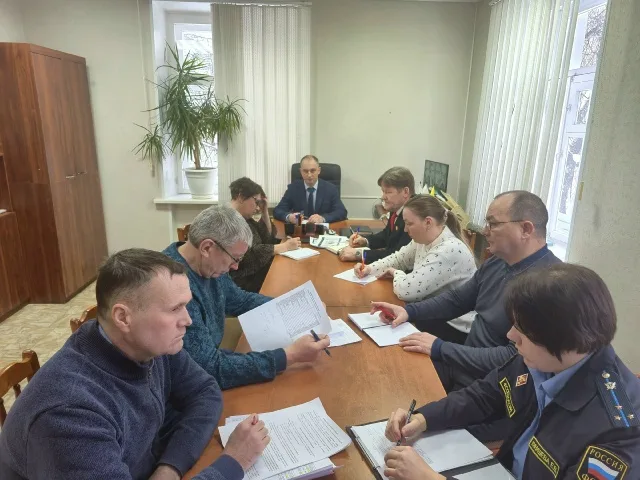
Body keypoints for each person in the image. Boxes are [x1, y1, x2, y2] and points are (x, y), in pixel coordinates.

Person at [0, 248, 270, 480]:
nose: (188, 320)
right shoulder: (68, 414)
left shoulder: (149, 344)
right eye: (175, 309)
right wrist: (234, 461)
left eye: (186, 306)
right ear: (123, 318)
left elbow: (205, 392)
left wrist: (169, 468)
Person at [383, 264, 640, 480]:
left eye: (523, 330)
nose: (510, 335)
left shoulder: (619, 431)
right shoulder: (542, 361)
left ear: (564, 339)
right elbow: (483, 395)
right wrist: (423, 418)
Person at [371, 191, 561, 392]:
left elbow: (514, 357)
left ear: (526, 229)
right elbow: (457, 300)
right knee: (386, 371)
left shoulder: (549, 285)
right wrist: (409, 312)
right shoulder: (498, 262)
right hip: (463, 363)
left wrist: (441, 348)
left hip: (490, 385)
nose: (485, 231)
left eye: (493, 224)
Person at [163, 205, 330, 390]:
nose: (235, 267)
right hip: (186, 387)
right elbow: (210, 368)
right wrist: (289, 356)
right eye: (235, 258)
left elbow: (240, 300)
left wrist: (294, 306)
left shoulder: (208, 265)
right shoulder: (175, 287)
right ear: (207, 247)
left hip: (214, 356)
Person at [356, 195, 476, 344]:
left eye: (409, 223)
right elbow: (399, 259)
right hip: (433, 312)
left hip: (454, 326)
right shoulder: (423, 240)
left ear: (428, 222)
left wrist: (396, 272)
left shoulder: (448, 250)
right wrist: (369, 268)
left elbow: (406, 290)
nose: (405, 229)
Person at [228, 177, 300, 292]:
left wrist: (265, 211)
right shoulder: (228, 221)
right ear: (241, 197)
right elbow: (248, 255)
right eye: (256, 202)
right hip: (243, 280)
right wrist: (284, 247)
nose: (257, 207)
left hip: (256, 272)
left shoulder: (244, 218)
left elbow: (267, 239)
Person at [338, 166, 413, 263]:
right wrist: (365, 241)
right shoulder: (397, 207)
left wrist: (360, 254)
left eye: (388, 192)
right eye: (383, 191)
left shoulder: (414, 215)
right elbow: (387, 235)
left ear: (405, 192)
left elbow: (397, 256)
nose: (383, 197)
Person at [273, 155, 347, 224]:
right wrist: (289, 217)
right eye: (305, 171)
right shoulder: (293, 189)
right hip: (300, 230)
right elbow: (278, 210)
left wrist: (323, 218)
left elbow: (341, 212)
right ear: (301, 171)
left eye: (312, 170)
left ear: (319, 170)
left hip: (322, 230)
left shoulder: (330, 189)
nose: (309, 175)